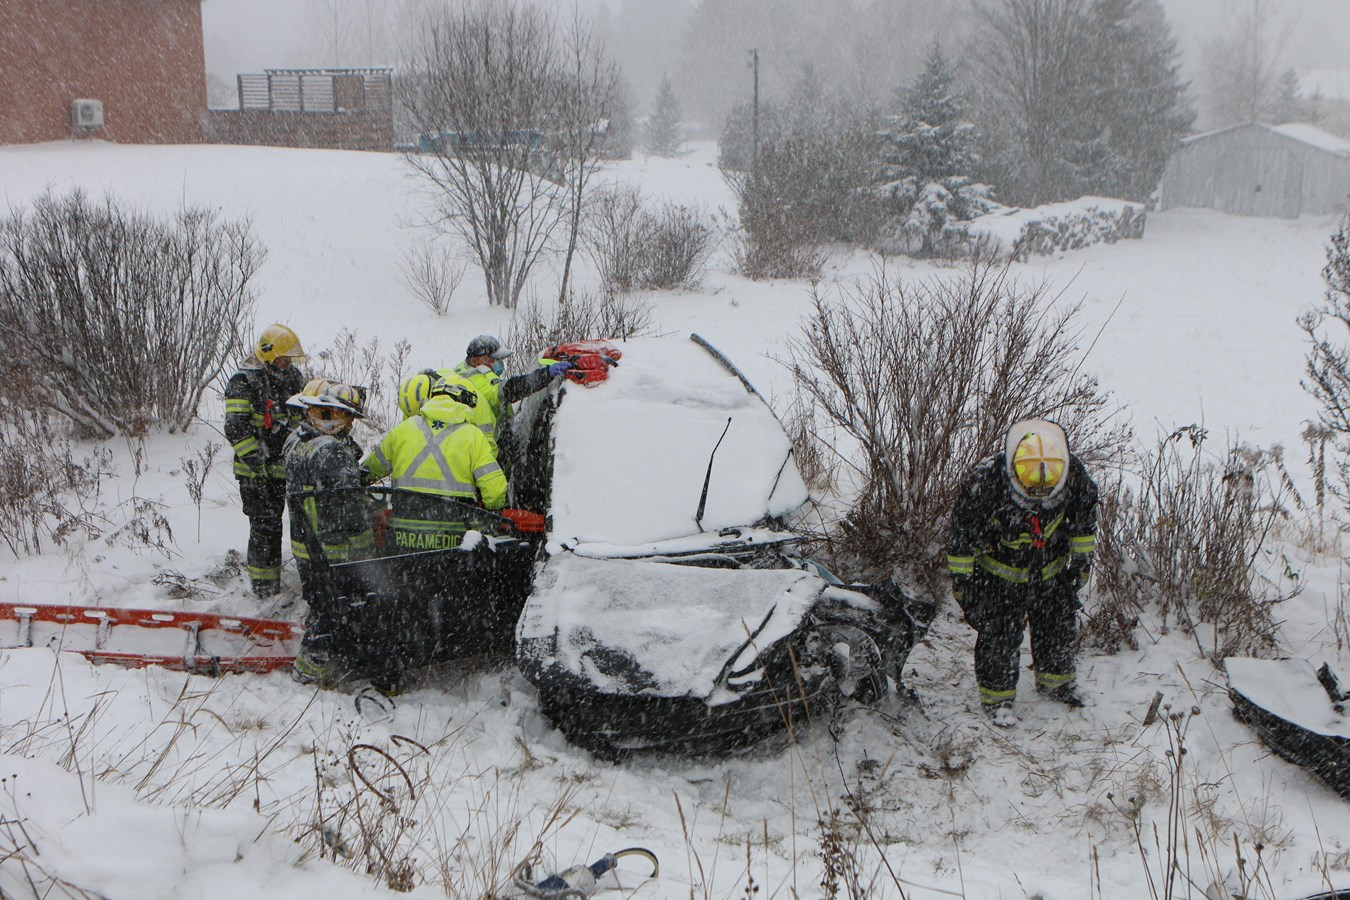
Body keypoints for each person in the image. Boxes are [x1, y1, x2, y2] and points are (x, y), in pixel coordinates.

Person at [946, 418, 1099, 727]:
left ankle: (1056, 683)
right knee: (999, 636)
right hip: (999, 576)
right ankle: (998, 699)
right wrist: (964, 585)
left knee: (1057, 627)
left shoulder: (1077, 478)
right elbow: (961, 536)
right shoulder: (986, 480)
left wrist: (1080, 567)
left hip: (1052, 573)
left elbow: (1083, 526)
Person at [282, 380, 374, 685]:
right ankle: (309, 674)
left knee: (321, 603)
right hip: (333, 549)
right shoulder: (331, 452)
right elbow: (349, 504)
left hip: (305, 543)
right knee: (332, 610)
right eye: (345, 417)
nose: (347, 426)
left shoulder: (296, 440)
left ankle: (326, 652)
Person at [363, 376, 507, 552]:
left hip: (402, 542)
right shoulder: (474, 436)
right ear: (465, 401)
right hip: (453, 544)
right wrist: (494, 512)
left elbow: (367, 471)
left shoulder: (403, 430)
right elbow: (495, 491)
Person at [225, 324, 309, 598]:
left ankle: (302, 580)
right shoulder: (244, 382)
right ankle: (263, 588)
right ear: (268, 354)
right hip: (255, 473)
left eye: (289, 360)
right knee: (265, 527)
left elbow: (302, 417)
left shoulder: (292, 377)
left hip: (287, 470)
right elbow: (236, 427)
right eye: (283, 359)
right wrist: (255, 461)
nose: (287, 364)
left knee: (301, 525)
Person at [449, 335, 572, 456]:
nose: (500, 363)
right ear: (477, 360)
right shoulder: (477, 382)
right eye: (495, 359)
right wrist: (545, 375)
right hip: (482, 448)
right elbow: (508, 390)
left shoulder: (462, 370)